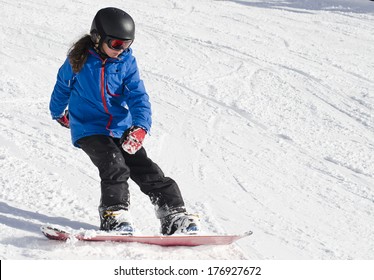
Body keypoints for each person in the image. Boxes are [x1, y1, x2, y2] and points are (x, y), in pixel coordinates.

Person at [49, 7, 200, 235]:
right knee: (114, 165)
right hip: (89, 128)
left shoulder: (126, 63)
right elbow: (62, 88)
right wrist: (58, 112)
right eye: (116, 44)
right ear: (98, 37)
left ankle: (173, 215)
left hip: (120, 127)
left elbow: (138, 96)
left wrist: (140, 127)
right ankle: (114, 215)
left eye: (127, 44)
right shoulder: (77, 61)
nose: (121, 50)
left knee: (144, 167)